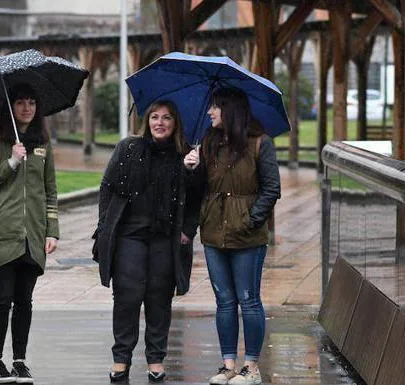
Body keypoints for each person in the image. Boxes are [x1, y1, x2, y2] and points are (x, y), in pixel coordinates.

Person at [93, 100, 200, 383]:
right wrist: (105, 226)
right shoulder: (128, 149)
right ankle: (121, 358)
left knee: (159, 298)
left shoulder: (186, 155)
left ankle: (155, 358)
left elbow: (196, 199)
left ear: (175, 123)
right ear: (147, 121)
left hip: (165, 238)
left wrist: (192, 172)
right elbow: (107, 187)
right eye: (154, 117)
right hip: (130, 235)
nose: (160, 122)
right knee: (127, 296)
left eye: (166, 117)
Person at [183, 87, 281, 385]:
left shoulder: (260, 144)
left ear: (230, 110)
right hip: (213, 232)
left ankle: (251, 367)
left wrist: (250, 220)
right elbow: (200, 189)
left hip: (248, 237)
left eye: (215, 107)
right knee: (224, 300)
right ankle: (228, 365)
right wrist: (191, 168)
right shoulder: (209, 143)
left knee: (248, 299)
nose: (210, 112)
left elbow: (271, 189)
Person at [0, 83, 59, 384]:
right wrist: (10, 163)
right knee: (3, 298)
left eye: (32, 102)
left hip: (33, 235)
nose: (27, 108)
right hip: (3, 233)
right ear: (10, 107)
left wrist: (53, 232)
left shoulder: (43, 143)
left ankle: (20, 361)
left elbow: (50, 192)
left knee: (25, 300)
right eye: (21, 102)